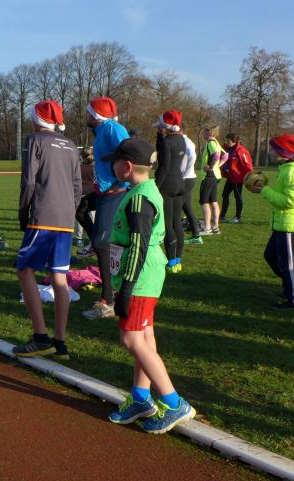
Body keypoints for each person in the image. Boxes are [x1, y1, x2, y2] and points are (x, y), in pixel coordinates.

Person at [102, 137, 196, 433]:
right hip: (146, 275)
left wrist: (126, 289)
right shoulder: (143, 190)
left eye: (115, 163)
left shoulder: (140, 199)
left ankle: (174, 402)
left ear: (127, 166)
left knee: (131, 339)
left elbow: (137, 246)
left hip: (141, 277)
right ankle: (141, 398)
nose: (112, 167)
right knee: (144, 337)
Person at [12, 100, 81, 359]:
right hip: (66, 219)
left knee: (24, 270)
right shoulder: (71, 145)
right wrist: (70, 211)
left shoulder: (34, 141)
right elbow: (77, 186)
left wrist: (23, 211)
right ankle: (60, 342)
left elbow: (29, 181)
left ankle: (40, 337)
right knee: (59, 278)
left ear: (36, 119)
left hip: (43, 216)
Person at [246, 134, 294, 309]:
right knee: (270, 256)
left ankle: (293, 300)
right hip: (283, 223)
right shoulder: (286, 169)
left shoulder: (292, 172)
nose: (269, 151)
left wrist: (264, 190)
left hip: (290, 225)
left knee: (288, 265)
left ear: (282, 152)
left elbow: (291, 201)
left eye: (272, 149)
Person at [82, 96, 129, 320]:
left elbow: (129, 152)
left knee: (102, 243)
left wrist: (121, 184)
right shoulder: (101, 130)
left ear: (96, 115)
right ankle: (99, 242)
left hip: (115, 192)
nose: (86, 115)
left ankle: (108, 300)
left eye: (89, 112)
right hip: (104, 191)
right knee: (81, 207)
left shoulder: (113, 128)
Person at [153, 110, 186, 273]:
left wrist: (156, 186)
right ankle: (178, 260)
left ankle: (171, 262)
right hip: (179, 183)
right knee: (176, 222)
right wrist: (160, 136)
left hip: (167, 184)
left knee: (167, 225)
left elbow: (164, 166)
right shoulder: (181, 139)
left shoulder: (167, 142)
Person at [199, 126, 228, 235]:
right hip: (215, 176)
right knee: (213, 202)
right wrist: (217, 166)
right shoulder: (216, 142)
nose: (203, 134)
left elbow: (216, 155)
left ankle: (207, 228)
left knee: (204, 202)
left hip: (209, 176)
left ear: (209, 133)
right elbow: (226, 156)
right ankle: (215, 227)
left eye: (205, 132)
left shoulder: (211, 143)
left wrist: (211, 167)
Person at [220, 133, 253, 223]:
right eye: (226, 140)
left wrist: (248, 177)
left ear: (234, 141)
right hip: (230, 177)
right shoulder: (227, 148)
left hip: (238, 178)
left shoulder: (241, 150)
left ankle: (238, 217)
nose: (226, 142)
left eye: (228, 141)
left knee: (237, 196)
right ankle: (222, 216)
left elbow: (248, 165)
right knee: (224, 195)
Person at [180, 128, 203, 245]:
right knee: (187, 209)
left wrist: (185, 173)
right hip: (187, 179)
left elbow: (192, 156)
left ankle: (174, 237)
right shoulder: (182, 141)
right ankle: (197, 236)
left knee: (175, 208)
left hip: (186, 180)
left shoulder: (186, 142)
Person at [75, 146, 96, 256]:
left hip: (81, 194)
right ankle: (92, 241)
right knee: (92, 218)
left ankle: (79, 238)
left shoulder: (78, 167)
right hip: (91, 194)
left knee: (80, 219)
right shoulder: (95, 168)